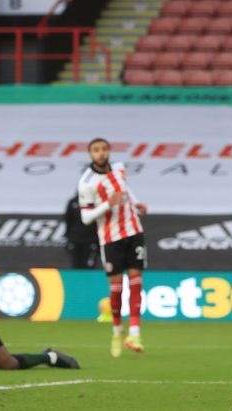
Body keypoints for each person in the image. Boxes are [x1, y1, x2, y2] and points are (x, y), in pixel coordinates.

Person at [78, 137, 148, 358]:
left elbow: (126, 190)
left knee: (136, 281)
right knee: (116, 289)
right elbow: (86, 217)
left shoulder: (119, 168)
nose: (101, 153)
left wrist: (136, 203)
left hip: (134, 231)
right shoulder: (87, 182)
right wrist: (108, 204)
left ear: (109, 151)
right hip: (110, 238)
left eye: (104, 149)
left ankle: (135, 333)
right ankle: (117, 330)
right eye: (96, 150)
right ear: (90, 154)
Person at [64, 194, 100, 269]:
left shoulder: (97, 203)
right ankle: (76, 280)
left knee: (89, 265)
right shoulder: (73, 202)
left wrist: (97, 241)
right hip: (76, 240)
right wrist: (69, 238)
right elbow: (68, 220)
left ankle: (90, 280)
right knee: (76, 265)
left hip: (91, 241)